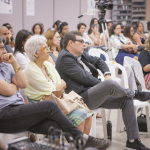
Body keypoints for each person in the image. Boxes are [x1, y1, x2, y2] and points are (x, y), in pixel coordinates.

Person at [0, 36, 110, 150]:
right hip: (5, 114)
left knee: (53, 126)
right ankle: (82, 140)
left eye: (4, 48)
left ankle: (59, 147)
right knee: (50, 106)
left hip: (19, 109)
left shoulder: (6, 66)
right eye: (1, 48)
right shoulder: (30, 69)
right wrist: (14, 85)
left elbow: (22, 84)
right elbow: (9, 90)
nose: (5, 51)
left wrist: (14, 63)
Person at [56, 31, 150, 150]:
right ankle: (135, 93)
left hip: (92, 93)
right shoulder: (65, 58)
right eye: (81, 42)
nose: (84, 44)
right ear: (71, 43)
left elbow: (99, 61)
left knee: (126, 100)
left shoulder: (80, 55)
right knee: (111, 85)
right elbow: (85, 78)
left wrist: (107, 74)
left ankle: (133, 141)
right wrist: (106, 85)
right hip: (80, 99)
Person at [24, 35, 94, 135]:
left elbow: (62, 85)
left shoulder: (47, 65)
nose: (49, 51)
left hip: (56, 100)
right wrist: (59, 86)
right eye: (45, 48)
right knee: (80, 117)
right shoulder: (30, 70)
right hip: (41, 107)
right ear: (36, 53)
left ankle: (84, 146)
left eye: (48, 48)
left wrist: (59, 87)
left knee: (88, 114)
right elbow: (53, 88)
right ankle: (78, 146)